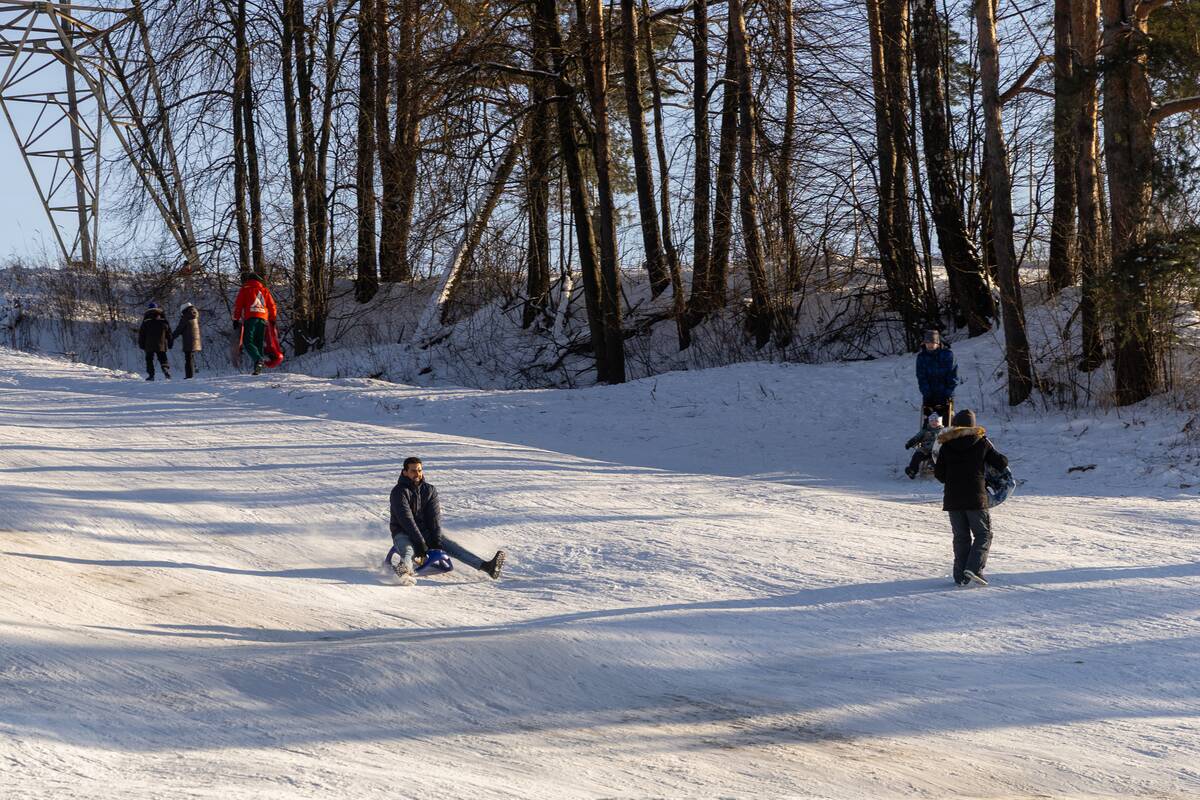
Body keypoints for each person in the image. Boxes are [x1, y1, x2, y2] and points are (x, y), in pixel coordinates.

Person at [384, 457, 506, 583]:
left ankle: (487, 567)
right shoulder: (398, 492)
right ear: (405, 472)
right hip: (403, 532)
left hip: (425, 532)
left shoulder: (429, 490)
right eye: (413, 471)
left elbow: (434, 518)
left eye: (419, 470)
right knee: (408, 551)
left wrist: (436, 542)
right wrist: (421, 544)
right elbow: (406, 520)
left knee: (453, 547)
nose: (417, 474)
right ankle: (404, 572)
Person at [934, 409, 1008, 586]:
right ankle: (974, 568)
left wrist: (952, 479)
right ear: (973, 425)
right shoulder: (981, 443)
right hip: (975, 497)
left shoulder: (946, 445)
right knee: (983, 534)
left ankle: (960, 576)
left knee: (961, 537)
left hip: (953, 499)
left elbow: (939, 474)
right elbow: (1001, 463)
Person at [232, 272, 277, 375]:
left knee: (247, 342)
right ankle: (258, 369)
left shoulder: (245, 289)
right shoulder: (264, 290)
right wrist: (272, 319)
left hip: (251, 318)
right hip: (262, 320)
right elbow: (272, 305)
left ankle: (258, 360)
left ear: (249, 280)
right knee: (258, 343)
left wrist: (236, 319)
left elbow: (238, 305)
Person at [916, 329, 958, 427]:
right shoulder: (921, 357)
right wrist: (926, 393)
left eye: (932, 342)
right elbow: (921, 376)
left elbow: (953, 375)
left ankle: (946, 441)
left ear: (938, 342)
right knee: (929, 423)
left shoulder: (948, 355)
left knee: (946, 423)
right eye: (927, 342)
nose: (930, 345)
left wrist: (948, 392)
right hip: (929, 394)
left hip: (945, 394)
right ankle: (927, 440)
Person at [137, 302, 173, 381]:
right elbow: (169, 333)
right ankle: (165, 369)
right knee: (163, 358)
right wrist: (170, 343)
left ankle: (151, 375)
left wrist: (141, 344)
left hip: (149, 344)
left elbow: (142, 334)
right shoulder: (163, 320)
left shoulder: (146, 321)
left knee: (149, 359)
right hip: (161, 344)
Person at [904, 412, 944, 479]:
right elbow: (917, 437)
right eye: (931, 421)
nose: (933, 423)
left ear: (940, 422)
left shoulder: (942, 431)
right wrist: (910, 443)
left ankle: (932, 466)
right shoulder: (925, 430)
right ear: (929, 422)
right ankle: (912, 470)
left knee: (937, 455)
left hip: (936, 450)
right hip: (925, 450)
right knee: (917, 455)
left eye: (936, 421)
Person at [173, 302, 202, 379]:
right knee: (190, 358)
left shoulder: (186, 317)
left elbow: (179, 329)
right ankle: (190, 375)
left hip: (188, 340)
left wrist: (171, 337)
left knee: (188, 359)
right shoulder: (194, 316)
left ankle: (189, 376)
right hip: (195, 340)